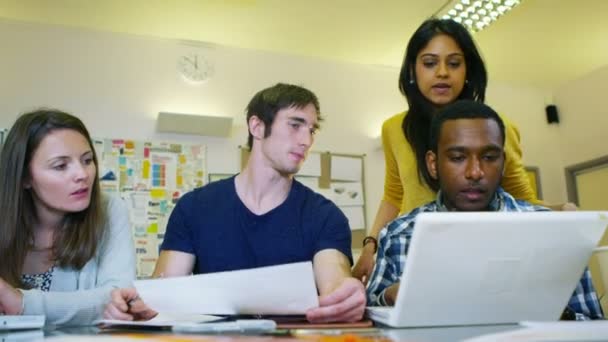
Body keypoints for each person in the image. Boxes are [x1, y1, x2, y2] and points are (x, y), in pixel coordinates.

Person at [104, 83, 366, 323]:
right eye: (295, 125)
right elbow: (164, 296)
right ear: (257, 126)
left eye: (311, 130)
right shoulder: (194, 208)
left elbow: (334, 279)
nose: (307, 141)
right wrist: (135, 303)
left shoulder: (325, 215)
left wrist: (345, 294)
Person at [353, 18, 573, 282]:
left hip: (487, 253)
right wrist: (370, 246)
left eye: (454, 63)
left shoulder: (497, 126)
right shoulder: (394, 129)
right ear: (412, 71)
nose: (443, 72)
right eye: (430, 63)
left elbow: (523, 201)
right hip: (415, 252)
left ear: (467, 70)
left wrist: (562, 211)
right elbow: (393, 194)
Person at [366, 100, 603, 320]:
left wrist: (552, 312)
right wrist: (389, 296)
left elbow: (595, 327)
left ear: (503, 162)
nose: (475, 172)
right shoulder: (398, 234)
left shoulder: (556, 232)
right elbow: (370, 312)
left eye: (489, 157)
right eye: (458, 157)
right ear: (433, 164)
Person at [0, 109, 135, 326]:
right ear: (25, 177)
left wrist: (23, 303)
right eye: (61, 166)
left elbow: (119, 297)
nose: (82, 174)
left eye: (87, 160)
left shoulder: (109, 209)